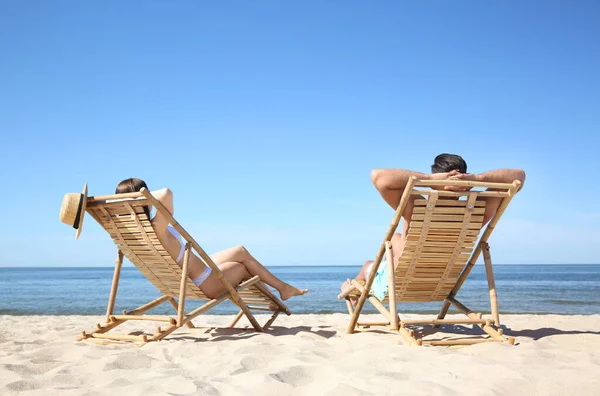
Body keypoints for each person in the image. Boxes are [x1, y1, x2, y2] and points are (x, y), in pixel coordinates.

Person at [341, 153, 526, 302]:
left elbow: (378, 177)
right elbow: (519, 177)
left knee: (369, 264)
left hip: (397, 282)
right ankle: (357, 285)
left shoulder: (417, 208)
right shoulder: (478, 210)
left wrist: (429, 179)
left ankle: (355, 287)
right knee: (396, 239)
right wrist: (478, 179)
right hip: (439, 282)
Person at [115, 178, 308, 301]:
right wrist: (140, 197)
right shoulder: (156, 228)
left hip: (198, 271)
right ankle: (281, 290)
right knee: (243, 266)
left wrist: (125, 202)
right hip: (205, 282)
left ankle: (281, 289)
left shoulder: (134, 231)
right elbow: (166, 192)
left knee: (239, 250)